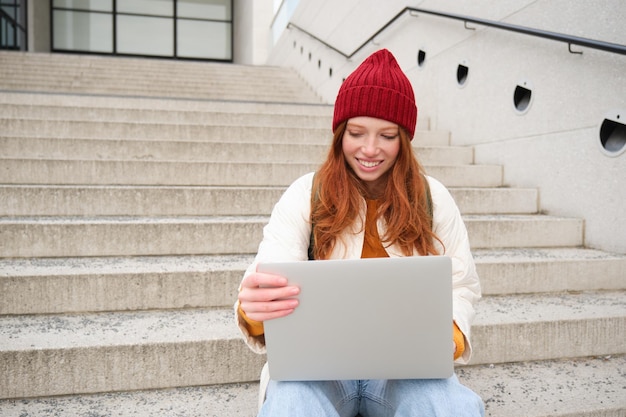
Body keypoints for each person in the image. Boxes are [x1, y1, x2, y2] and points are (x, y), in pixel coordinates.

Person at [235, 48, 484, 417]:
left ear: (405, 140)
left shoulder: (434, 198)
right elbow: (271, 274)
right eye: (356, 133)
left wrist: (448, 336)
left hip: (403, 367)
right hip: (318, 366)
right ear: (339, 134)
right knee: (291, 405)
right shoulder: (305, 193)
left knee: (449, 407)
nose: (370, 149)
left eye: (387, 135)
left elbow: (460, 285)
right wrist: (254, 310)